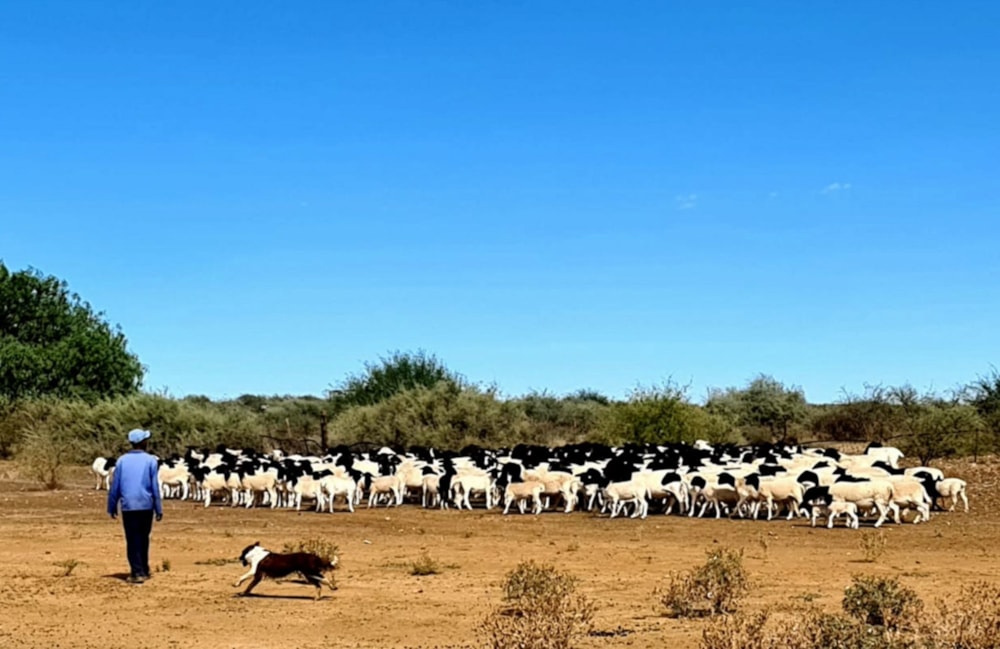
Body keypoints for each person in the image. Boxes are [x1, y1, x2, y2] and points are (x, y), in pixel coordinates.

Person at [107, 428, 163, 584]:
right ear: (143, 442)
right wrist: (158, 507)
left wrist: (111, 506)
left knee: (132, 539)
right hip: (146, 505)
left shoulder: (122, 460)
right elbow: (154, 486)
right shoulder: (151, 460)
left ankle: (137, 571)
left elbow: (115, 486)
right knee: (144, 538)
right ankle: (143, 570)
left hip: (129, 506)